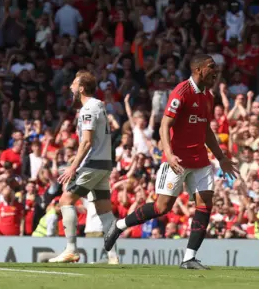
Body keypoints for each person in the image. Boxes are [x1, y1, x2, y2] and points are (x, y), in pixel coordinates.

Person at [104, 54, 239, 269]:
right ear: (198, 70)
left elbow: (205, 130)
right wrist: (168, 152)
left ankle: (189, 258)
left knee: (205, 205)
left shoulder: (208, 96)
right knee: (162, 207)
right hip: (177, 159)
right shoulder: (181, 92)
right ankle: (119, 225)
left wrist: (221, 157)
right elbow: (164, 125)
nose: (215, 70)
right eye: (211, 67)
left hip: (201, 160)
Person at [49, 71, 119, 264]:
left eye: (73, 84)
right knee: (104, 210)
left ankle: (71, 249)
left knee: (65, 200)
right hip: (104, 163)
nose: (70, 87)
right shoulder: (99, 106)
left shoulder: (88, 108)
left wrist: (73, 167)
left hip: (93, 164)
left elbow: (87, 142)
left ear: (81, 88)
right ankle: (113, 256)